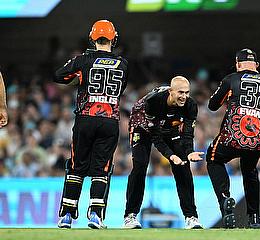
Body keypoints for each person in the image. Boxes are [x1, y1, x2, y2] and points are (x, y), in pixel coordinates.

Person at [54, 20, 128, 229]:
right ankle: (95, 215)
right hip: (110, 121)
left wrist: (78, 76)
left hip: (85, 119)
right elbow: (121, 88)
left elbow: (58, 75)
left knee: (77, 167)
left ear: (92, 37)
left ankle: (67, 216)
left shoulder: (82, 60)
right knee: (101, 169)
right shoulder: (123, 64)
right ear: (114, 38)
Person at [206, 49, 260, 229]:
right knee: (250, 171)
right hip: (256, 140)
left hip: (233, 135)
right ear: (257, 66)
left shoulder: (232, 79)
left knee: (213, 158)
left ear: (237, 64)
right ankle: (254, 217)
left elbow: (212, 105)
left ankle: (224, 200)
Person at [123, 76, 204, 229]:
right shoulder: (154, 102)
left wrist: (189, 152)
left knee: (183, 167)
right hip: (142, 124)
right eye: (180, 92)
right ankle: (130, 216)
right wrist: (171, 156)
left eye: (187, 93)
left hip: (167, 126)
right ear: (170, 91)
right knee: (140, 166)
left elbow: (187, 135)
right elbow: (156, 137)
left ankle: (191, 217)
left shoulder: (190, 105)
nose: (184, 97)